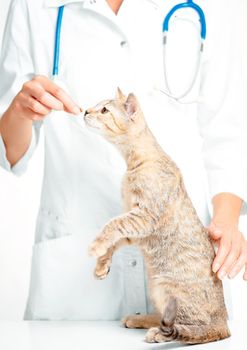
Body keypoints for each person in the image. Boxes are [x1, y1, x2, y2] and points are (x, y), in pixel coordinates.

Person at [0, 0, 247, 321]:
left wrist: (226, 222)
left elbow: (228, 130)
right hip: (77, 279)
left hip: (178, 257)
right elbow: (11, 152)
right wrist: (20, 111)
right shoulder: (32, 6)